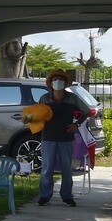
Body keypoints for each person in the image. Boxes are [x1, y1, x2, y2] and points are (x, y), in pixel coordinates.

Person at [37, 69, 81, 208]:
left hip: (66, 138)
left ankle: (67, 196)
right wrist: (28, 119)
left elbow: (86, 111)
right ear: (50, 83)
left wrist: (77, 124)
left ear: (65, 83)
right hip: (48, 137)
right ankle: (44, 196)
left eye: (60, 80)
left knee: (67, 169)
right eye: (54, 79)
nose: (57, 82)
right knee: (46, 168)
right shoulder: (44, 98)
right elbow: (37, 115)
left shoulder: (72, 98)